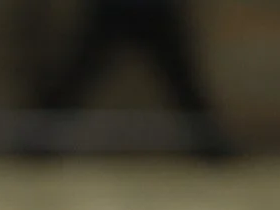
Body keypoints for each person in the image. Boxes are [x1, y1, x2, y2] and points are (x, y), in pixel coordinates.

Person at [31, 0, 232, 159]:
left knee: (184, 85)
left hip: (150, 10)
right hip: (116, 9)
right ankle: (39, 141)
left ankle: (213, 147)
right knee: (75, 81)